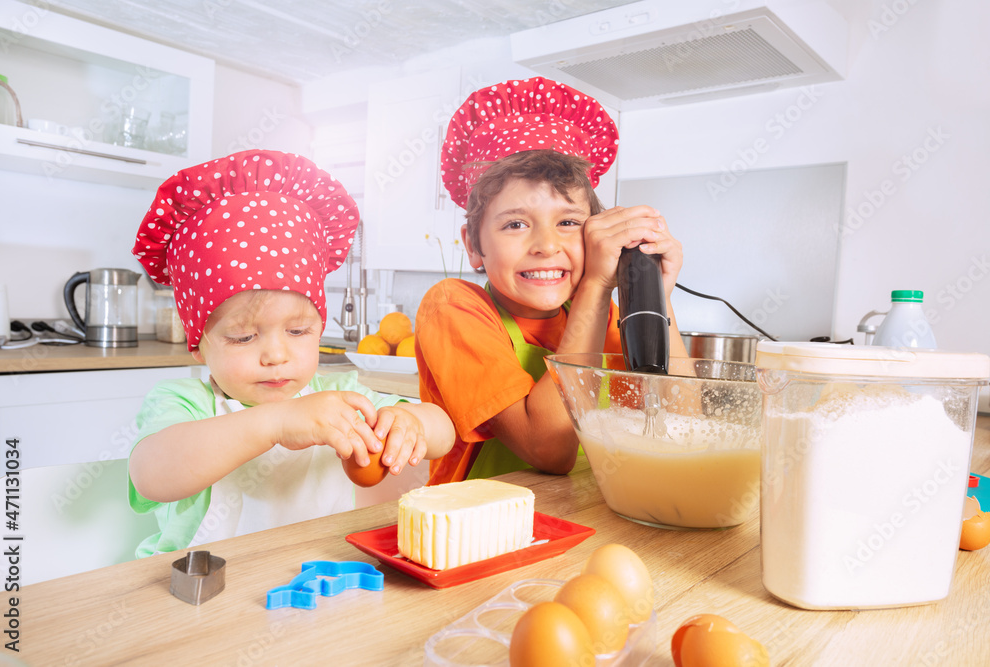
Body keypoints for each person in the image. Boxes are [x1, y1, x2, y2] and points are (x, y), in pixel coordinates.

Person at [128, 149, 454, 557]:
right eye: (244, 337)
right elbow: (152, 476)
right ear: (198, 343)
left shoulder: (343, 395)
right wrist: (276, 423)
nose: (276, 355)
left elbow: (445, 429)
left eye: (297, 331)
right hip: (199, 591)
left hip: (311, 579)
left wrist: (409, 422)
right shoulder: (185, 403)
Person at [416, 77, 688, 485]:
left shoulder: (607, 316)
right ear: (473, 244)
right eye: (515, 223)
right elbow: (548, 448)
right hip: (481, 532)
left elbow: (678, 427)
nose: (546, 244)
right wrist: (595, 288)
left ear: (592, 234)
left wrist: (655, 298)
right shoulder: (453, 307)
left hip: (579, 524)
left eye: (567, 222)